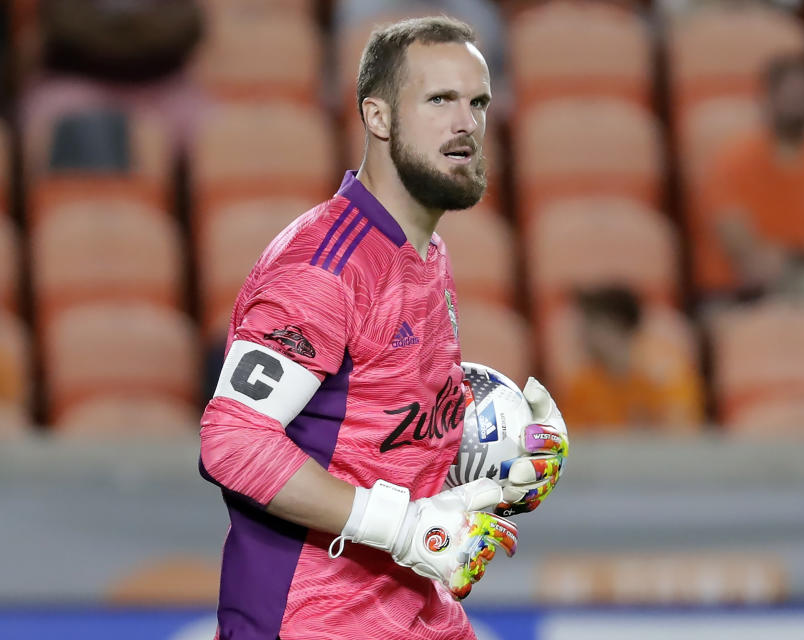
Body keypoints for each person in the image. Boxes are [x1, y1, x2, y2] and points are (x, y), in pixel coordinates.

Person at [198, 17, 567, 640]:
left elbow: (376, 432)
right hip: (309, 620)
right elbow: (232, 440)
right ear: (378, 117)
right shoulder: (324, 265)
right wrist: (399, 527)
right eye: (440, 100)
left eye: (478, 102)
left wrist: (502, 457)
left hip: (414, 612)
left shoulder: (425, 254)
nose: (466, 124)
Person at [696, 55, 804, 313]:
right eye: (789, 92)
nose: (797, 101)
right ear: (767, 97)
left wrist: (794, 257)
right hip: (739, 286)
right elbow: (732, 234)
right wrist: (767, 263)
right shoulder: (732, 159)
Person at [559, 287, 702, 432]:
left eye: (589, 326)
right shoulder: (583, 385)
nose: (583, 337)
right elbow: (571, 441)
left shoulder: (666, 377)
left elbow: (683, 436)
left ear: (614, 326)